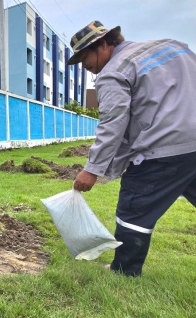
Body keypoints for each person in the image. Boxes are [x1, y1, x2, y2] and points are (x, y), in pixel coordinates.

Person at [69, 21, 196, 276]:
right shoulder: (175, 47)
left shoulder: (114, 70)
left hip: (163, 150)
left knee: (134, 207)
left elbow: (113, 122)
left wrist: (92, 169)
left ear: (103, 44)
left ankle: (124, 270)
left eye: (84, 58)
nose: (85, 67)